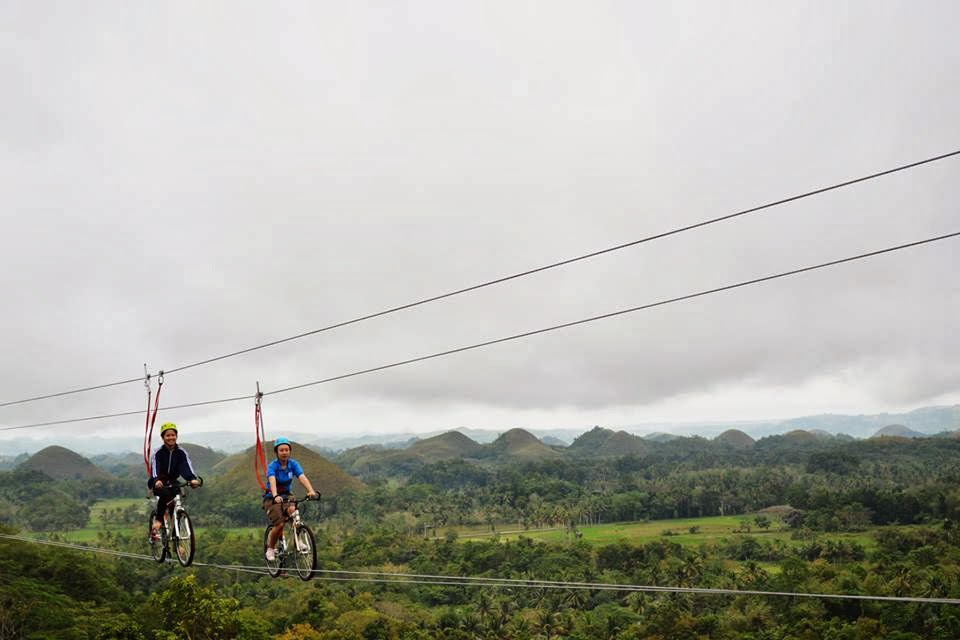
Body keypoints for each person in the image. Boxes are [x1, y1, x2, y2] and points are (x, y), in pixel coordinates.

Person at [263, 437, 318, 561]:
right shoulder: (273, 466)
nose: (284, 452)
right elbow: (272, 480)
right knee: (280, 524)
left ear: (290, 451)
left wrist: (311, 490)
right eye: (281, 450)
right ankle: (270, 548)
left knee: (294, 515)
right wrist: (275, 495)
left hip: (287, 495)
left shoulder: (293, 464)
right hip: (272, 497)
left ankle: (298, 541)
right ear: (276, 452)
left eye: (287, 450)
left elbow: (301, 476)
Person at [148, 423, 200, 538]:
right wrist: (156, 480)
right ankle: (158, 520)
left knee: (175, 507)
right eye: (168, 435)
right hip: (158, 481)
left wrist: (192, 479)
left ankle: (177, 540)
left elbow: (186, 466)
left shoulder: (181, 452)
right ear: (163, 437)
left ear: (176, 436)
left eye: (173, 435)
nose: (171, 437)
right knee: (165, 494)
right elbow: (155, 468)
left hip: (172, 481)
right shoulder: (158, 453)